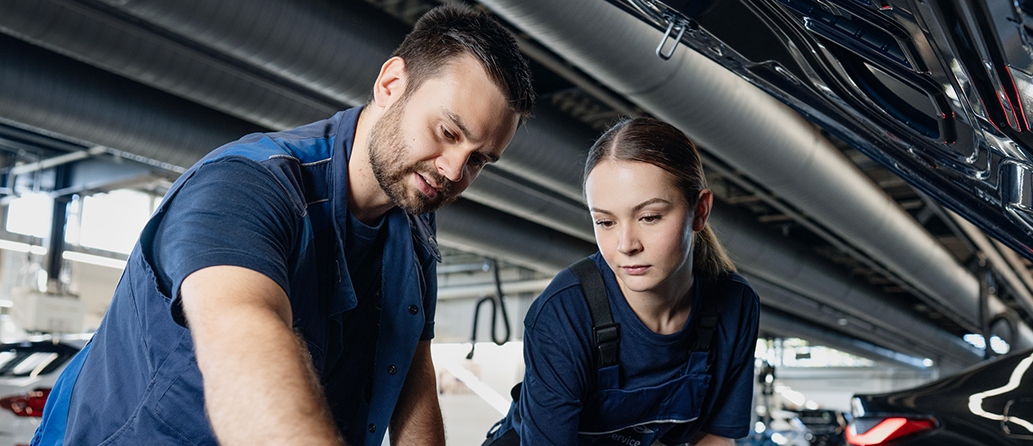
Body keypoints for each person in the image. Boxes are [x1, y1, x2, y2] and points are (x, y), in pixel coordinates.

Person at [31, 6, 534, 446]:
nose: (453, 171)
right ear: (391, 85)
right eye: (447, 132)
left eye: (479, 160)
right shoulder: (246, 187)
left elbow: (413, 383)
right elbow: (244, 347)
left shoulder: (414, 233)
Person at [484, 117, 760, 446]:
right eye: (605, 221)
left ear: (699, 211)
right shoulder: (565, 313)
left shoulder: (734, 306)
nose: (626, 244)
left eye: (649, 217)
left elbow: (713, 438)